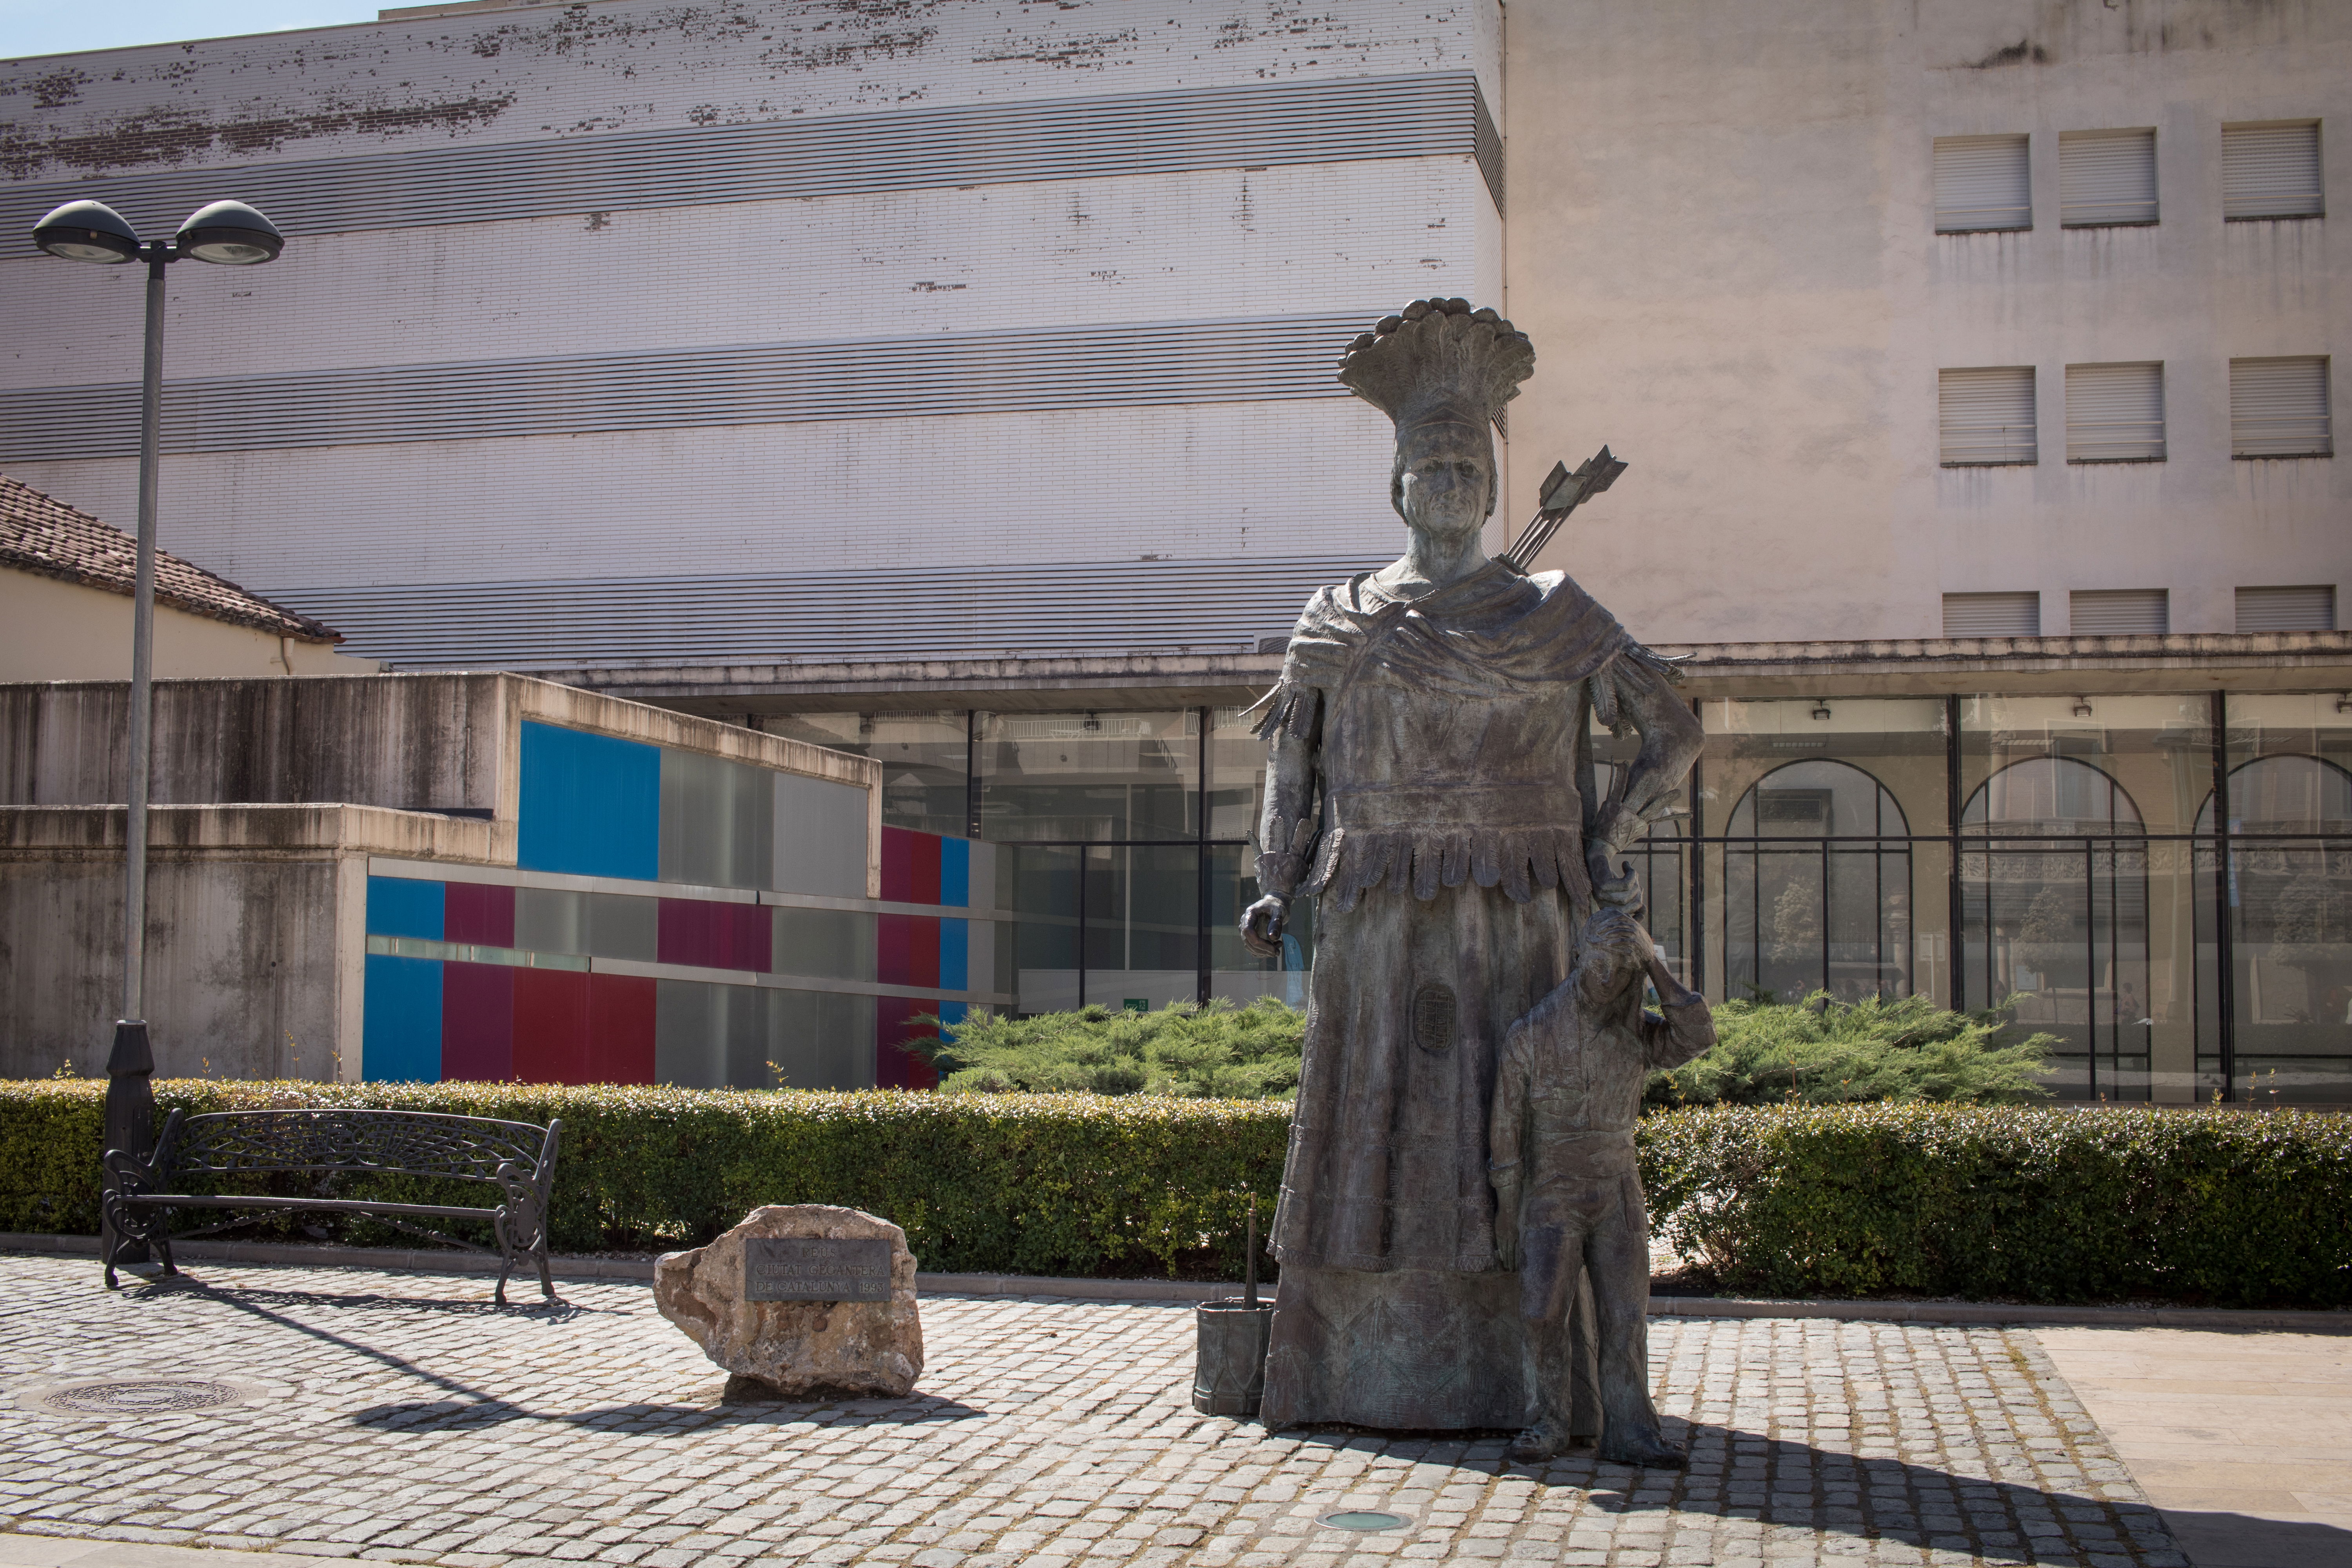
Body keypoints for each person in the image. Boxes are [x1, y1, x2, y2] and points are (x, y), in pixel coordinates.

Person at [1240, 298, 1702, 1429]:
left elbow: (1675, 728)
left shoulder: (1554, 614)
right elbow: (1291, 763)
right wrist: (1274, 876)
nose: (1447, 481)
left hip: (1523, 910)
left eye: (1464, 464)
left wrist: (1607, 838)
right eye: (1428, 464)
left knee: (1518, 1144)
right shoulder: (1338, 617)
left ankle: (1536, 1385)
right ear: (1397, 484)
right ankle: (1354, 1365)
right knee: (1376, 1126)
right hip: (1376, 913)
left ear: (1491, 489)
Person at [1489, 907, 1715, 1464]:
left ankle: (1632, 1431)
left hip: (1617, 1189)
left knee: (1625, 1315)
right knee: (1543, 1311)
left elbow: (1697, 1038)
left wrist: (1655, 966)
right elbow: (1505, 1134)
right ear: (1577, 959)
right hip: (1552, 1191)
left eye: (1621, 967)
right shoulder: (1532, 1034)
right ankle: (1546, 1421)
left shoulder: (1636, 1029)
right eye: (1599, 964)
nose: (1609, 977)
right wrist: (1506, 1211)